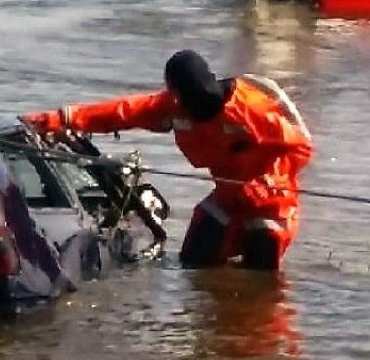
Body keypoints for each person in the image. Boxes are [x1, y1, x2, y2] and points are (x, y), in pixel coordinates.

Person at [23, 50, 314, 270]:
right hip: (227, 197)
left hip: (273, 201)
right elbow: (123, 112)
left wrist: (265, 182)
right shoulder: (175, 107)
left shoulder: (253, 108)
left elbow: (300, 148)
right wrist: (60, 119)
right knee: (193, 264)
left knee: (261, 265)